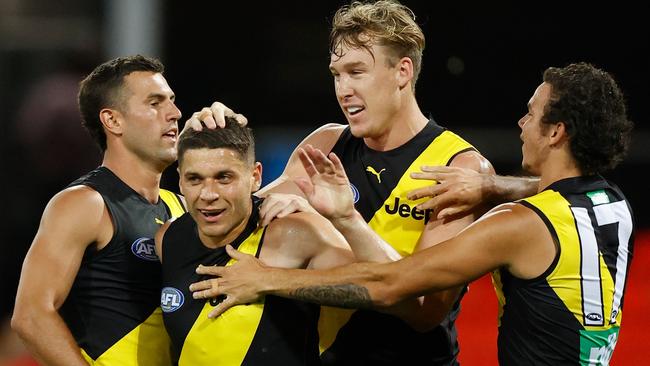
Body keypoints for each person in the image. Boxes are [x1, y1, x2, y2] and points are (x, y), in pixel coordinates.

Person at [191, 62, 635, 365]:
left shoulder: (517, 224)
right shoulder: (613, 202)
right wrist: (493, 186)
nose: (520, 124)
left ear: (556, 132)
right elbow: (553, 194)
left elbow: (395, 287)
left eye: (530, 114)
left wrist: (271, 279)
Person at [185, 1, 493, 364]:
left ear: (403, 71)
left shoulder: (458, 166)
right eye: (336, 74)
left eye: (356, 71)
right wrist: (210, 142)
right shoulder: (326, 144)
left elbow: (426, 310)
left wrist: (343, 220)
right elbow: (226, 219)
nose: (343, 89)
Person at [156, 120, 401, 365]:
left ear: (255, 177)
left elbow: (386, 287)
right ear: (180, 181)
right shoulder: (167, 239)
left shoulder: (294, 232)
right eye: (195, 179)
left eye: (224, 178)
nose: (208, 195)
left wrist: (346, 219)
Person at [10, 55, 188, 365]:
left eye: (171, 101)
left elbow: (295, 172)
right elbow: (31, 316)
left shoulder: (181, 206)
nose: (174, 113)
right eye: (155, 103)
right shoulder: (85, 203)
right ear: (113, 121)